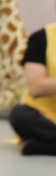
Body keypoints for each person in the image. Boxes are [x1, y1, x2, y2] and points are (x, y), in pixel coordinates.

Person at [8, 23, 56, 156]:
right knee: (19, 115)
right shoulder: (41, 38)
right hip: (45, 118)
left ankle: (47, 147)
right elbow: (35, 87)